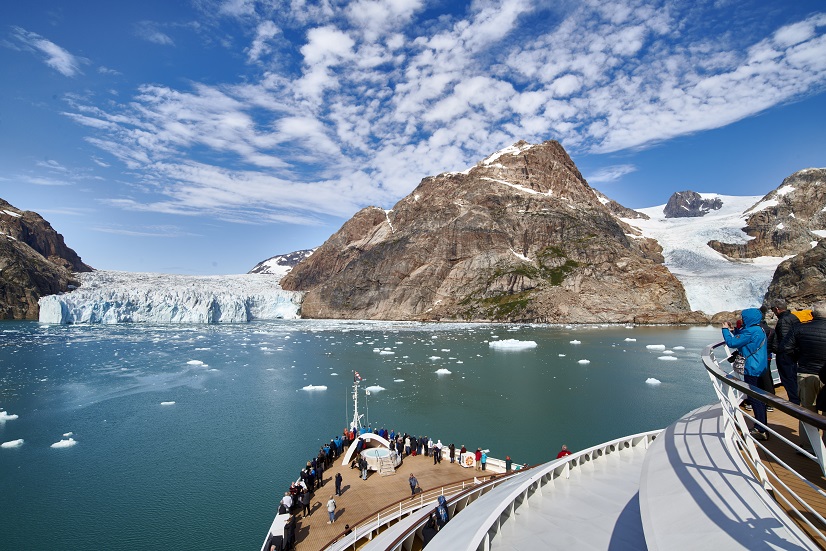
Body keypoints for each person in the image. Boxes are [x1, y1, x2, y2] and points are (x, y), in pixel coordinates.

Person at [783, 301, 826, 451]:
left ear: (812, 314)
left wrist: (800, 357)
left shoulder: (800, 328)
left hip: (806, 373)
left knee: (808, 411)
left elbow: (786, 348)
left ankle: (809, 447)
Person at [723, 308, 770, 441]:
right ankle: (762, 426)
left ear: (748, 318)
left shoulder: (751, 331)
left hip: (752, 367)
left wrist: (725, 330)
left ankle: (760, 429)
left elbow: (732, 343)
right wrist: (735, 331)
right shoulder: (758, 329)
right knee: (759, 397)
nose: (742, 319)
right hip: (760, 366)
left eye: (743, 317)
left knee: (754, 397)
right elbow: (744, 337)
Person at [770, 298, 801, 404]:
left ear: (777, 309)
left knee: (788, 378)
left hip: (786, 355)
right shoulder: (793, 317)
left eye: (773, 309)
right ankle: (797, 397)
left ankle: (794, 401)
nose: (773, 312)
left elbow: (785, 339)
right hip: (794, 353)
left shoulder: (783, 320)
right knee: (793, 376)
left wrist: (778, 349)